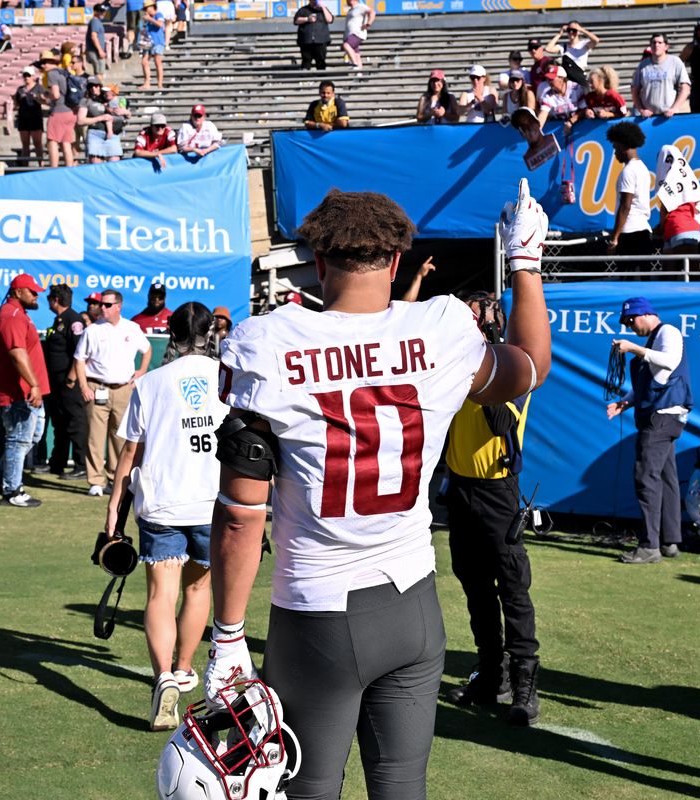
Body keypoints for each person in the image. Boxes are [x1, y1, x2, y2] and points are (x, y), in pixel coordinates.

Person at [203, 184, 551, 799]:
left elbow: (240, 515)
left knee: (308, 787)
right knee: (400, 784)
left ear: (316, 260)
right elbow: (529, 365)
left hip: (318, 610)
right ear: (396, 262)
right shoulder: (443, 326)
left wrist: (228, 637)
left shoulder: (268, 341)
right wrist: (524, 264)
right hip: (413, 605)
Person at [105, 302, 229, 731]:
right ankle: (182, 669)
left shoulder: (151, 382)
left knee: (161, 594)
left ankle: (163, 679)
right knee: (198, 592)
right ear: (210, 331)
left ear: (171, 334)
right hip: (211, 501)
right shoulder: (227, 378)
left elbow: (128, 454)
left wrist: (112, 513)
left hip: (161, 500)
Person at [442, 292, 539, 726]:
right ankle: (491, 675)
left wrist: (487, 346)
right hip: (461, 489)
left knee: (513, 590)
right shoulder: (455, 363)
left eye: (473, 316)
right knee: (475, 588)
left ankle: (524, 684)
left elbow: (499, 418)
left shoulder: (513, 365)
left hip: (498, 492)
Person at [606, 297, 693, 564]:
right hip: (663, 416)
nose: (630, 327)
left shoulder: (668, 332)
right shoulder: (654, 339)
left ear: (643, 314)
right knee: (666, 478)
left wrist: (633, 348)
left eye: (630, 321)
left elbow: (669, 361)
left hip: (661, 417)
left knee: (645, 477)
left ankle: (649, 546)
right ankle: (669, 541)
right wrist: (626, 402)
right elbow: (653, 378)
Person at [73, 289, 151, 497]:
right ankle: (95, 481)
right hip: (98, 387)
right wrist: (84, 386)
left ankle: (115, 476)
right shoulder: (92, 330)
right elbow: (79, 359)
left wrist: (141, 371)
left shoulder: (132, 328)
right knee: (95, 437)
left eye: (107, 305)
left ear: (118, 306)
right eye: (101, 304)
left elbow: (147, 349)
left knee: (121, 437)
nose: (102, 308)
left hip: (124, 389)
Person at [0, 274, 50, 508]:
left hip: (28, 390)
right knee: (18, 440)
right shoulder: (12, 314)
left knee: (31, 437)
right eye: (32, 291)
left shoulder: (19, 314)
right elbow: (16, 353)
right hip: (18, 391)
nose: (37, 295)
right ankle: (12, 490)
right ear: (17, 292)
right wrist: (33, 384)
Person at [43, 284, 88, 480]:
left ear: (55, 300)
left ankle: (81, 465)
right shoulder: (59, 320)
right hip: (56, 381)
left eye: (49, 299)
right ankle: (57, 463)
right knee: (59, 423)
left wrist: (72, 376)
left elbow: (79, 352)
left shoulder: (74, 320)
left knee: (75, 422)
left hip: (69, 381)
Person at [605, 122, 654, 260]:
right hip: (644, 231)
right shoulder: (642, 168)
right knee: (644, 280)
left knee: (628, 279)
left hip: (630, 233)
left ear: (622, 145)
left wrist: (615, 237)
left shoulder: (628, 171)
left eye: (615, 147)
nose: (614, 153)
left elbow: (625, 206)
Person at [655, 144, 700, 257]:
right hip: (688, 228)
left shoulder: (669, 179)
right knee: (688, 272)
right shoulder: (687, 177)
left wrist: (661, 227)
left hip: (678, 228)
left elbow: (666, 209)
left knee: (685, 273)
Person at [633, 33, 692, 117]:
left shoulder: (675, 62)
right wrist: (641, 110)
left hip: (669, 116)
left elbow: (685, 88)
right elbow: (634, 90)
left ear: (666, 46)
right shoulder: (643, 65)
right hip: (648, 118)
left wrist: (674, 108)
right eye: (654, 42)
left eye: (660, 43)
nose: (656, 45)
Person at [43, 50, 77, 169]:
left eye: (46, 62)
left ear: (53, 62)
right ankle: (69, 169)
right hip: (71, 111)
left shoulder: (52, 74)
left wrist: (46, 98)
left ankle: (54, 169)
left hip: (59, 111)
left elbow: (56, 95)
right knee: (66, 143)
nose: (43, 65)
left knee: (52, 141)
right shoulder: (64, 72)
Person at [78, 78, 126, 164]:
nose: (94, 88)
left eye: (96, 86)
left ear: (100, 86)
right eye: (91, 86)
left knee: (114, 164)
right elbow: (80, 121)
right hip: (95, 134)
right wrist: (100, 118)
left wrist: (126, 112)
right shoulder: (85, 100)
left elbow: (125, 112)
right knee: (96, 166)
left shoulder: (108, 96)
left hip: (113, 134)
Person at [13, 67, 46, 167]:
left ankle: (41, 164)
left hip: (35, 117)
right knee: (25, 144)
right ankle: (24, 166)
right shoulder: (20, 89)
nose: (26, 77)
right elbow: (16, 104)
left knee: (37, 143)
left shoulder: (39, 88)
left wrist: (37, 98)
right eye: (25, 75)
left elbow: (45, 101)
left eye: (28, 75)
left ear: (33, 76)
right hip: (23, 118)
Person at [535, 63, 584, 130]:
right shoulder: (548, 95)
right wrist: (537, 129)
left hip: (581, 127)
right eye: (548, 79)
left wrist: (571, 122)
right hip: (561, 130)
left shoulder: (576, 88)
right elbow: (543, 114)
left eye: (551, 79)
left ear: (561, 78)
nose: (549, 81)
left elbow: (584, 110)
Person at [293, 0, 333, 71]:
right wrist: (307, 19)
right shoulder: (303, 10)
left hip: (321, 41)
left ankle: (322, 79)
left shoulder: (323, 10)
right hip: (306, 41)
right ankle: (305, 80)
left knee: (321, 62)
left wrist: (323, 7)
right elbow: (296, 20)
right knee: (306, 62)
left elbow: (330, 20)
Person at [341, 0, 375, 72]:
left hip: (357, 33)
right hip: (349, 34)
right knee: (356, 54)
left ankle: (355, 64)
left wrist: (368, 24)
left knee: (346, 45)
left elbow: (372, 12)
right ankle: (360, 74)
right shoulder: (350, 10)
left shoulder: (360, 7)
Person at [141, 0, 167, 92]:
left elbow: (160, 24)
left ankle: (160, 83)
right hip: (148, 41)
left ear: (152, 7)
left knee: (157, 61)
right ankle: (147, 82)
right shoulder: (146, 17)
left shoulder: (158, 14)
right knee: (144, 61)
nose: (145, 10)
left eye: (146, 8)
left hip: (158, 41)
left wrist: (150, 19)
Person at [85, 3, 109, 79]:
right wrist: (100, 50)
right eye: (100, 11)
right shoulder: (95, 21)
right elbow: (93, 36)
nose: (103, 13)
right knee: (99, 73)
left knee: (99, 73)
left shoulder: (97, 21)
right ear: (95, 11)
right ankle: (98, 90)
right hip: (95, 51)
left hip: (96, 51)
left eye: (103, 11)